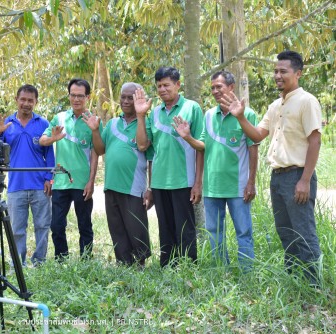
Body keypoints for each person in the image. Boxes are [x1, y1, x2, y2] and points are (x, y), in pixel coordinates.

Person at [221, 50, 322, 284]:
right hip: (277, 178)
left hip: (298, 176)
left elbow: (315, 141)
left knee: (304, 232)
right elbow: (257, 134)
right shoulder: (275, 105)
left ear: (298, 73)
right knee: (286, 233)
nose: (277, 75)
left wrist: (305, 180)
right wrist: (240, 117)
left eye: (283, 71)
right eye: (275, 71)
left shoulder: (307, 101)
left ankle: (313, 286)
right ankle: (294, 281)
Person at [172, 71, 258, 270]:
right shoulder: (209, 115)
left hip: (238, 186)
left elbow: (253, 150)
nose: (215, 91)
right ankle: (221, 271)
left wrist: (251, 182)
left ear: (231, 87)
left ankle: (248, 273)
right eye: (212, 88)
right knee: (214, 232)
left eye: (219, 86)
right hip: (212, 187)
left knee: (243, 232)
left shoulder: (247, 114)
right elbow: (202, 146)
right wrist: (187, 137)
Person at [134, 66, 204, 267]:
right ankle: (167, 267)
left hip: (184, 180)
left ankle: (189, 267)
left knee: (185, 228)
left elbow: (201, 148)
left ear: (178, 85)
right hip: (159, 182)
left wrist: (198, 183)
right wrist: (140, 116)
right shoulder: (154, 113)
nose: (162, 89)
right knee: (165, 228)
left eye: (166, 85)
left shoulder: (192, 108)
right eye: (159, 86)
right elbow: (143, 146)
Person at [82, 82, 153, 266]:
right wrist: (95, 130)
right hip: (111, 185)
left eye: (132, 97)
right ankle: (123, 263)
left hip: (133, 187)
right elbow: (100, 149)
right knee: (117, 229)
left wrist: (140, 115)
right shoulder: (112, 124)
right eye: (124, 97)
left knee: (136, 228)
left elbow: (143, 145)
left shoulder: (145, 123)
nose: (126, 101)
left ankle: (139, 265)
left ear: (140, 99)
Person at [0, 84, 55, 266]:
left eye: (30, 100)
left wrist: (49, 178)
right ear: (16, 100)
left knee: (42, 226)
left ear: (35, 102)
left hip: (40, 186)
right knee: (17, 229)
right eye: (23, 99)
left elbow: (49, 154)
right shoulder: (7, 124)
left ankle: (39, 262)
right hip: (15, 186)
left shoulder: (43, 124)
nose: (26, 103)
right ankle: (18, 264)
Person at [39, 78, 100, 259]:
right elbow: (42, 140)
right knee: (56, 225)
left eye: (80, 96)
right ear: (69, 96)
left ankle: (86, 260)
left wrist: (91, 181)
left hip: (82, 183)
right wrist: (53, 139)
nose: (76, 99)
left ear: (87, 97)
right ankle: (61, 259)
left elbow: (96, 153)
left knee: (85, 225)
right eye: (73, 95)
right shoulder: (59, 118)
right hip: (61, 182)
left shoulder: (93, 121)